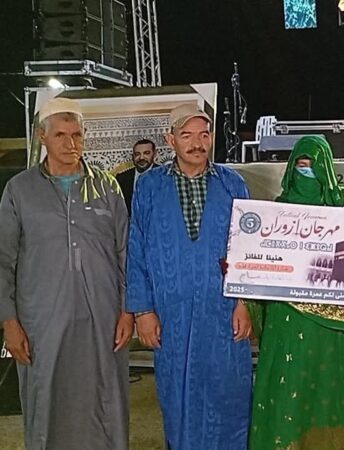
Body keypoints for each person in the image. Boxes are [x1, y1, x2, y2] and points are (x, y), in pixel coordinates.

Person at [0, 97, 131, 449]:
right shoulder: (19, 190)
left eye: (77, 135)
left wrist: (127, 310)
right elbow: (3, 260)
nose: (70, 143)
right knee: (46, 396)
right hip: (41, 321)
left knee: (105, 397)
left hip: (103, 317)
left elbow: (125, 253)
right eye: (60, 135)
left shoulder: (107, 187)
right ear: (42, 136)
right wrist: (9, 323)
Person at [126, 103, 253, 450]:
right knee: (177, 396)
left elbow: (249, 248)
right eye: (187, 135)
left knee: (229, 394)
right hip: (171, 315)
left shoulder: (232, 184)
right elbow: (136, 248)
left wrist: (244, 303)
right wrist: (142, 311)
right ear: (171, 140)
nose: (197, 144)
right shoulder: (150, 187)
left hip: (223, 311)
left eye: (204, 135)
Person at [249, 136, 344, 449]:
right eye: (301, 165)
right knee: (289, 383)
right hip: (287, 318)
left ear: (327, 169)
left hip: (337, 322)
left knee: (333, 384)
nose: (307, 172)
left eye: (314, 166)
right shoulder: (278, 210)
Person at [116, 138, 159, 214]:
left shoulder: (164, 176)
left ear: (154, 154)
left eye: (146, 153)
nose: (141, 157)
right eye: (137, 154)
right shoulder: (122, 178)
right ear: (133, 156)